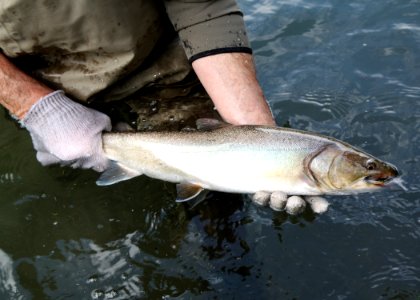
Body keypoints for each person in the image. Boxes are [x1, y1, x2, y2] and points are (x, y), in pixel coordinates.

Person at [0, 0, 325, 214]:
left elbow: (202, 4)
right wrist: (34, 106)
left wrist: (256, 127)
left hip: (162, 65)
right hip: (39, 79)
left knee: (217, 208)